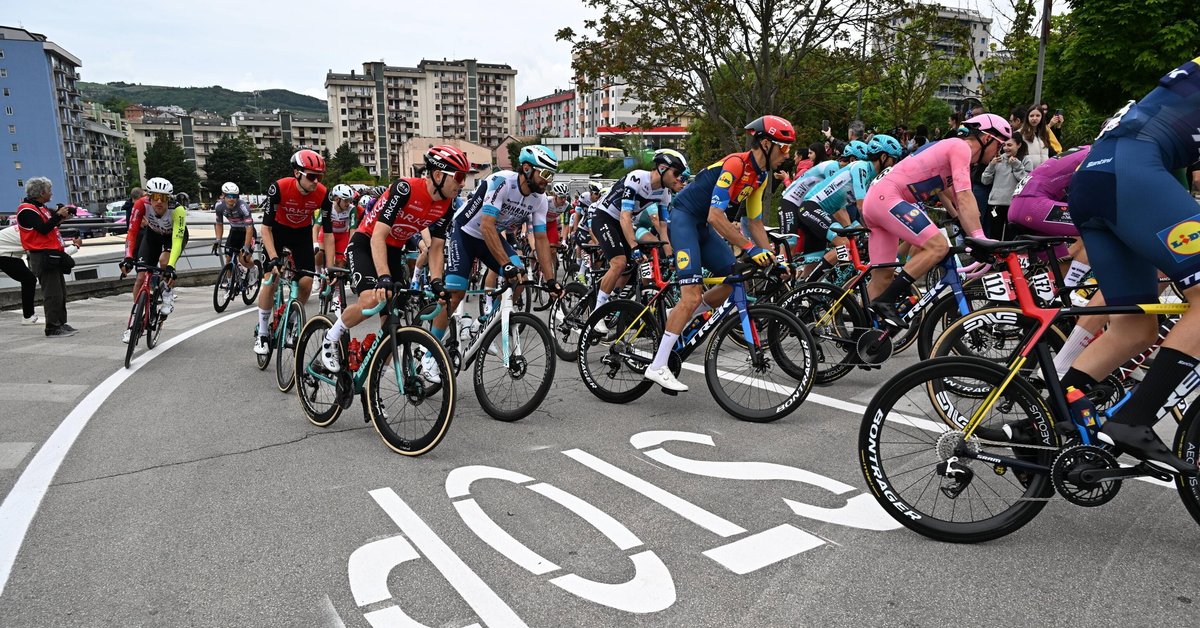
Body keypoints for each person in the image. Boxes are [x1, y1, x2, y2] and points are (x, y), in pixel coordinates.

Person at [1055, 57, 1200, 474]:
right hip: (1130, 172)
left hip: (1099, 178)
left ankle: (1042, 426)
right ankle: (1134, 420)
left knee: (1134, 329)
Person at [643, 115, 795, 392]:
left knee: (734, 279)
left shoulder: (760, 177)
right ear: (765, 144)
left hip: (703, 227)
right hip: (685, 220)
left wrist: (773, 257)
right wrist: (750, 248)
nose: (787, 155)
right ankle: (658, 365)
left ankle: (683, 313)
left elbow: (755, 223)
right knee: (690, 295)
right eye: (784, 148)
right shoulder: (736, 164)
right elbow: (716, 216)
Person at [319, 145, 472, 381]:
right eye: (459, 177)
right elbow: (378, 236)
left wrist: (436, 281)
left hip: (392, 249)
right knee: (371, 299)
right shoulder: (405, 189)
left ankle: (373, 383)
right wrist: (383, 277)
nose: (463, 183)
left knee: (393, 324)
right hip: (366, 242)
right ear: (438, 175)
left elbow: (436, 247)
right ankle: (331, 336)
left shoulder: (448, 205)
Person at [861, 113, 1010, 327]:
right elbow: (965, 197)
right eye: (1000, 145)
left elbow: (957, 201)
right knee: (938, 246)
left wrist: (970, 231)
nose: (1000, 152)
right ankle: (886, 300)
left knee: (882, 277)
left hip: (878, 200)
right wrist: (979, 238)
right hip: (887, 198)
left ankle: (862, 333)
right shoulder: (961, 148)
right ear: (987, 138)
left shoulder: (954, 152)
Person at [428, 145, 565, 345]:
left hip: (489, 236)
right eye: (545, 174)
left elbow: (541, 239)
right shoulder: (501, 181)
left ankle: (484, 323)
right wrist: (505, 264)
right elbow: (487, 225)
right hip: (465, 232)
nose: (548, 180)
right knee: (455, 294)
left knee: (520, 278)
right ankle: (430, 350)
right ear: (527, 168)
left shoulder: (540, 200)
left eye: (551, 175)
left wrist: (551, 280)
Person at [592, 149, 688, 317]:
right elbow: (625, 216)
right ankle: (597, 312)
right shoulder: (637, 177)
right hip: (605, 217)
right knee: (619, 262)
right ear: (662, 168)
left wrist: (670, 255)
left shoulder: (665, 193)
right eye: (677, 174)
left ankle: (610, 295)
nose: (679, 179)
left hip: (622, 223)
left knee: (629, 266)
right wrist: (634, 246)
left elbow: (663, 228)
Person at [253, 149, 329, 355]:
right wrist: (274, 258)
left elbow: (328, 233)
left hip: (301, 234)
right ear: (297, 173)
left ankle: (291, 322)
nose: (316, 181)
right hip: (277, 232)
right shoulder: (279, 188)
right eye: (311, 176)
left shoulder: (323, 193)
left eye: (320, 177)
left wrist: (330, 265)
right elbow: (265, 229)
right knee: (271, 280)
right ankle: (262, 333)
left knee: (306, 282)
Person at [120, 176, 187, 340]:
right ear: (149, 197)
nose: (159, 201)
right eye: (155, 197)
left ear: (169, 198)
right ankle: (134, 321)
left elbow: (177, 239)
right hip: (153, 236)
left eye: (163, 198)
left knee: (164, 262)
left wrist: (171, 267)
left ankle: (167, 293)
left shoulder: (178, 210)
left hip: (173, 237)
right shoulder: (140, 204)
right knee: (140, 277)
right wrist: (128, 257)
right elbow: (132, 232)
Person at [15, 177, 76, 337]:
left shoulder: (40, 207)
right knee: (52, 292)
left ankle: (61, 323)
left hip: (51, 253)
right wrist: (57, 216)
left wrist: (61, 218)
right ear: (41, 193)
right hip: (41, 255)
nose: (51, 193)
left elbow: (50, 227)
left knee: (60, 291)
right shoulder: (27, 210)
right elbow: (42, 229)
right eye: (49, 190)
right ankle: (52, 327)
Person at [980, 132, 1032, 240]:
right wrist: (991, 165)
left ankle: (1010, 252)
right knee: (994, 236)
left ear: (1019, 145)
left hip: (1014, 205)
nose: (1006, 148)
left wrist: (1017, 165)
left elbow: (1026, 182)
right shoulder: (997, 159)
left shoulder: (1026, 160)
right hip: (996, 204)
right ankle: (996, 251)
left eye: (1009, 145)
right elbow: (985, 181)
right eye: (1004, 145)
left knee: (1011, 237)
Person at [213, 182, 254, 271]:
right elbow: (219, 223)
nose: (232, 199)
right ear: (223, 195)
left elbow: (249, 228)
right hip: (235, 231)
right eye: (229, 196)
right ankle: (229, 279)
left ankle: (254, 269)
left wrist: (246, 246)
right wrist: (218, 239)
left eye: (235, 196)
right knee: (228, 259)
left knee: (243, 260)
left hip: (247, 232)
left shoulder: (243, 207)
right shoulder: (219, 206)